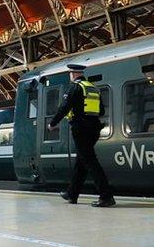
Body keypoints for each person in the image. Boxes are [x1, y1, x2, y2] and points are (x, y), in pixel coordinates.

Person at [49, 63, 116, 207]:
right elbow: (102, 111)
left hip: (81, 129)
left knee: (90, 161)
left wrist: (53, 123)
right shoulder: (93, 88)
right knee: (82, 162)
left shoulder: (75, 87)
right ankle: (72, 194)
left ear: (73, 74)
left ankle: (106, 196)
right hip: (94, 129)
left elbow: (64, 107)